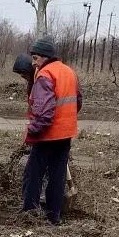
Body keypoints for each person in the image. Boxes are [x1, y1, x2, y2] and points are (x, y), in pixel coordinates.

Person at [22, 38, 82, 225]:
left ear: (44, 57)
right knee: (58, 175)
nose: (33, 63)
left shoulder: (45, 74)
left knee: (33, 174)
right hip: (66, 133)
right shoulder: (69, 71)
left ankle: (30, 214)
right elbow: (78, 101)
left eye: (35, 58)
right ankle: (53, 216)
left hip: (47, 134)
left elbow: (44, 110)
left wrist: (33, 130)